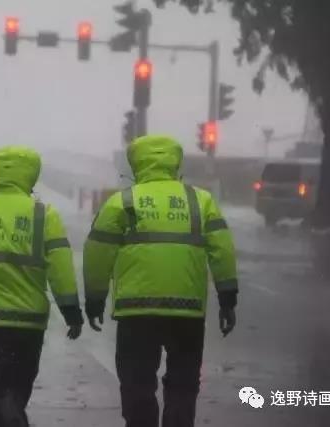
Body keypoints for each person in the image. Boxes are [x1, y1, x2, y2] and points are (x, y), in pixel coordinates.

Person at [83, 135, 238, 427]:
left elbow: (97, 252)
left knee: (137, 383)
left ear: (135, 163)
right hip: (187, 311)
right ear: (176, 163)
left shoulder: (123, 201)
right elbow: (223, 250)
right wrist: (227, 298)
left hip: (136, 311)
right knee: (183, 385)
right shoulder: (199, 201)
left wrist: (94, 299)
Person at [0, 145, 84, 427]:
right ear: (32, 175)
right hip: (28, 324)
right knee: (17, 393)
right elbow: (61, 269)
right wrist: (71, 310)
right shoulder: (45, 216)